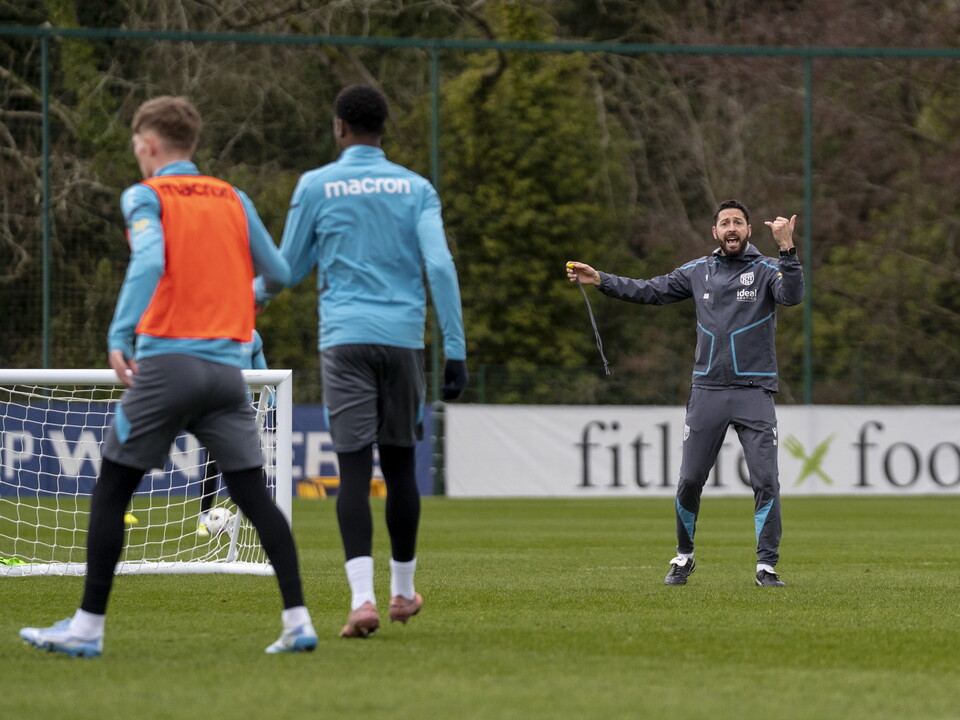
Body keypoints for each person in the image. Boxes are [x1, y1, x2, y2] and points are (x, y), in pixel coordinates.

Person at [19, 96, 317, 657]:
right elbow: (280, 271)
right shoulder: (233, 196)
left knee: (111, 491)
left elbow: (151, 260)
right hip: (229, 375)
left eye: (137, 148)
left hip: (165, 369)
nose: (138, 158)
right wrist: (247, 300)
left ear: (151, 145)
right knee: (253, 496)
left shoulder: (146, 195)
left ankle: (87, 628)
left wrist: (119, 334)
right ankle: (298, 621)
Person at [256, 84, 467, 638]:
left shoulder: (317, 184)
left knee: (352, 470)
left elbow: (284, 271)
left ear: (339, 127)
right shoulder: (416, 187)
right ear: (384, 128)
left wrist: (243, 301)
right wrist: (456, 348)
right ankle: (402, 594)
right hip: (402, 340)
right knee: (400, 468)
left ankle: (360, 602)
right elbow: (440, 267)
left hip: (344, 338)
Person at [566, 199, 804, 588]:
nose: (731, 228)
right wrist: (602, 280)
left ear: (748, 231)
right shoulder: (697, 271)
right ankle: (684, 557)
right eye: (724, 222)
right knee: (690, 480)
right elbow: (649, 290)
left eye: (738, 223)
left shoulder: (767, 270)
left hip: (753, 391)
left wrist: (788, 250)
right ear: (714, 232)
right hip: (707, 391)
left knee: (766, 481)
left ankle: (766, 566)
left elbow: (793, 295)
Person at [196, 328, 268, 538]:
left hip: (245, 411)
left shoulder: (253, 336)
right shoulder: (210, 331)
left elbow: (263, 372)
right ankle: (203, 518)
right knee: (212, 463)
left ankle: (261, 515)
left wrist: (273, 404)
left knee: (256, 464)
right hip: (215, 409)